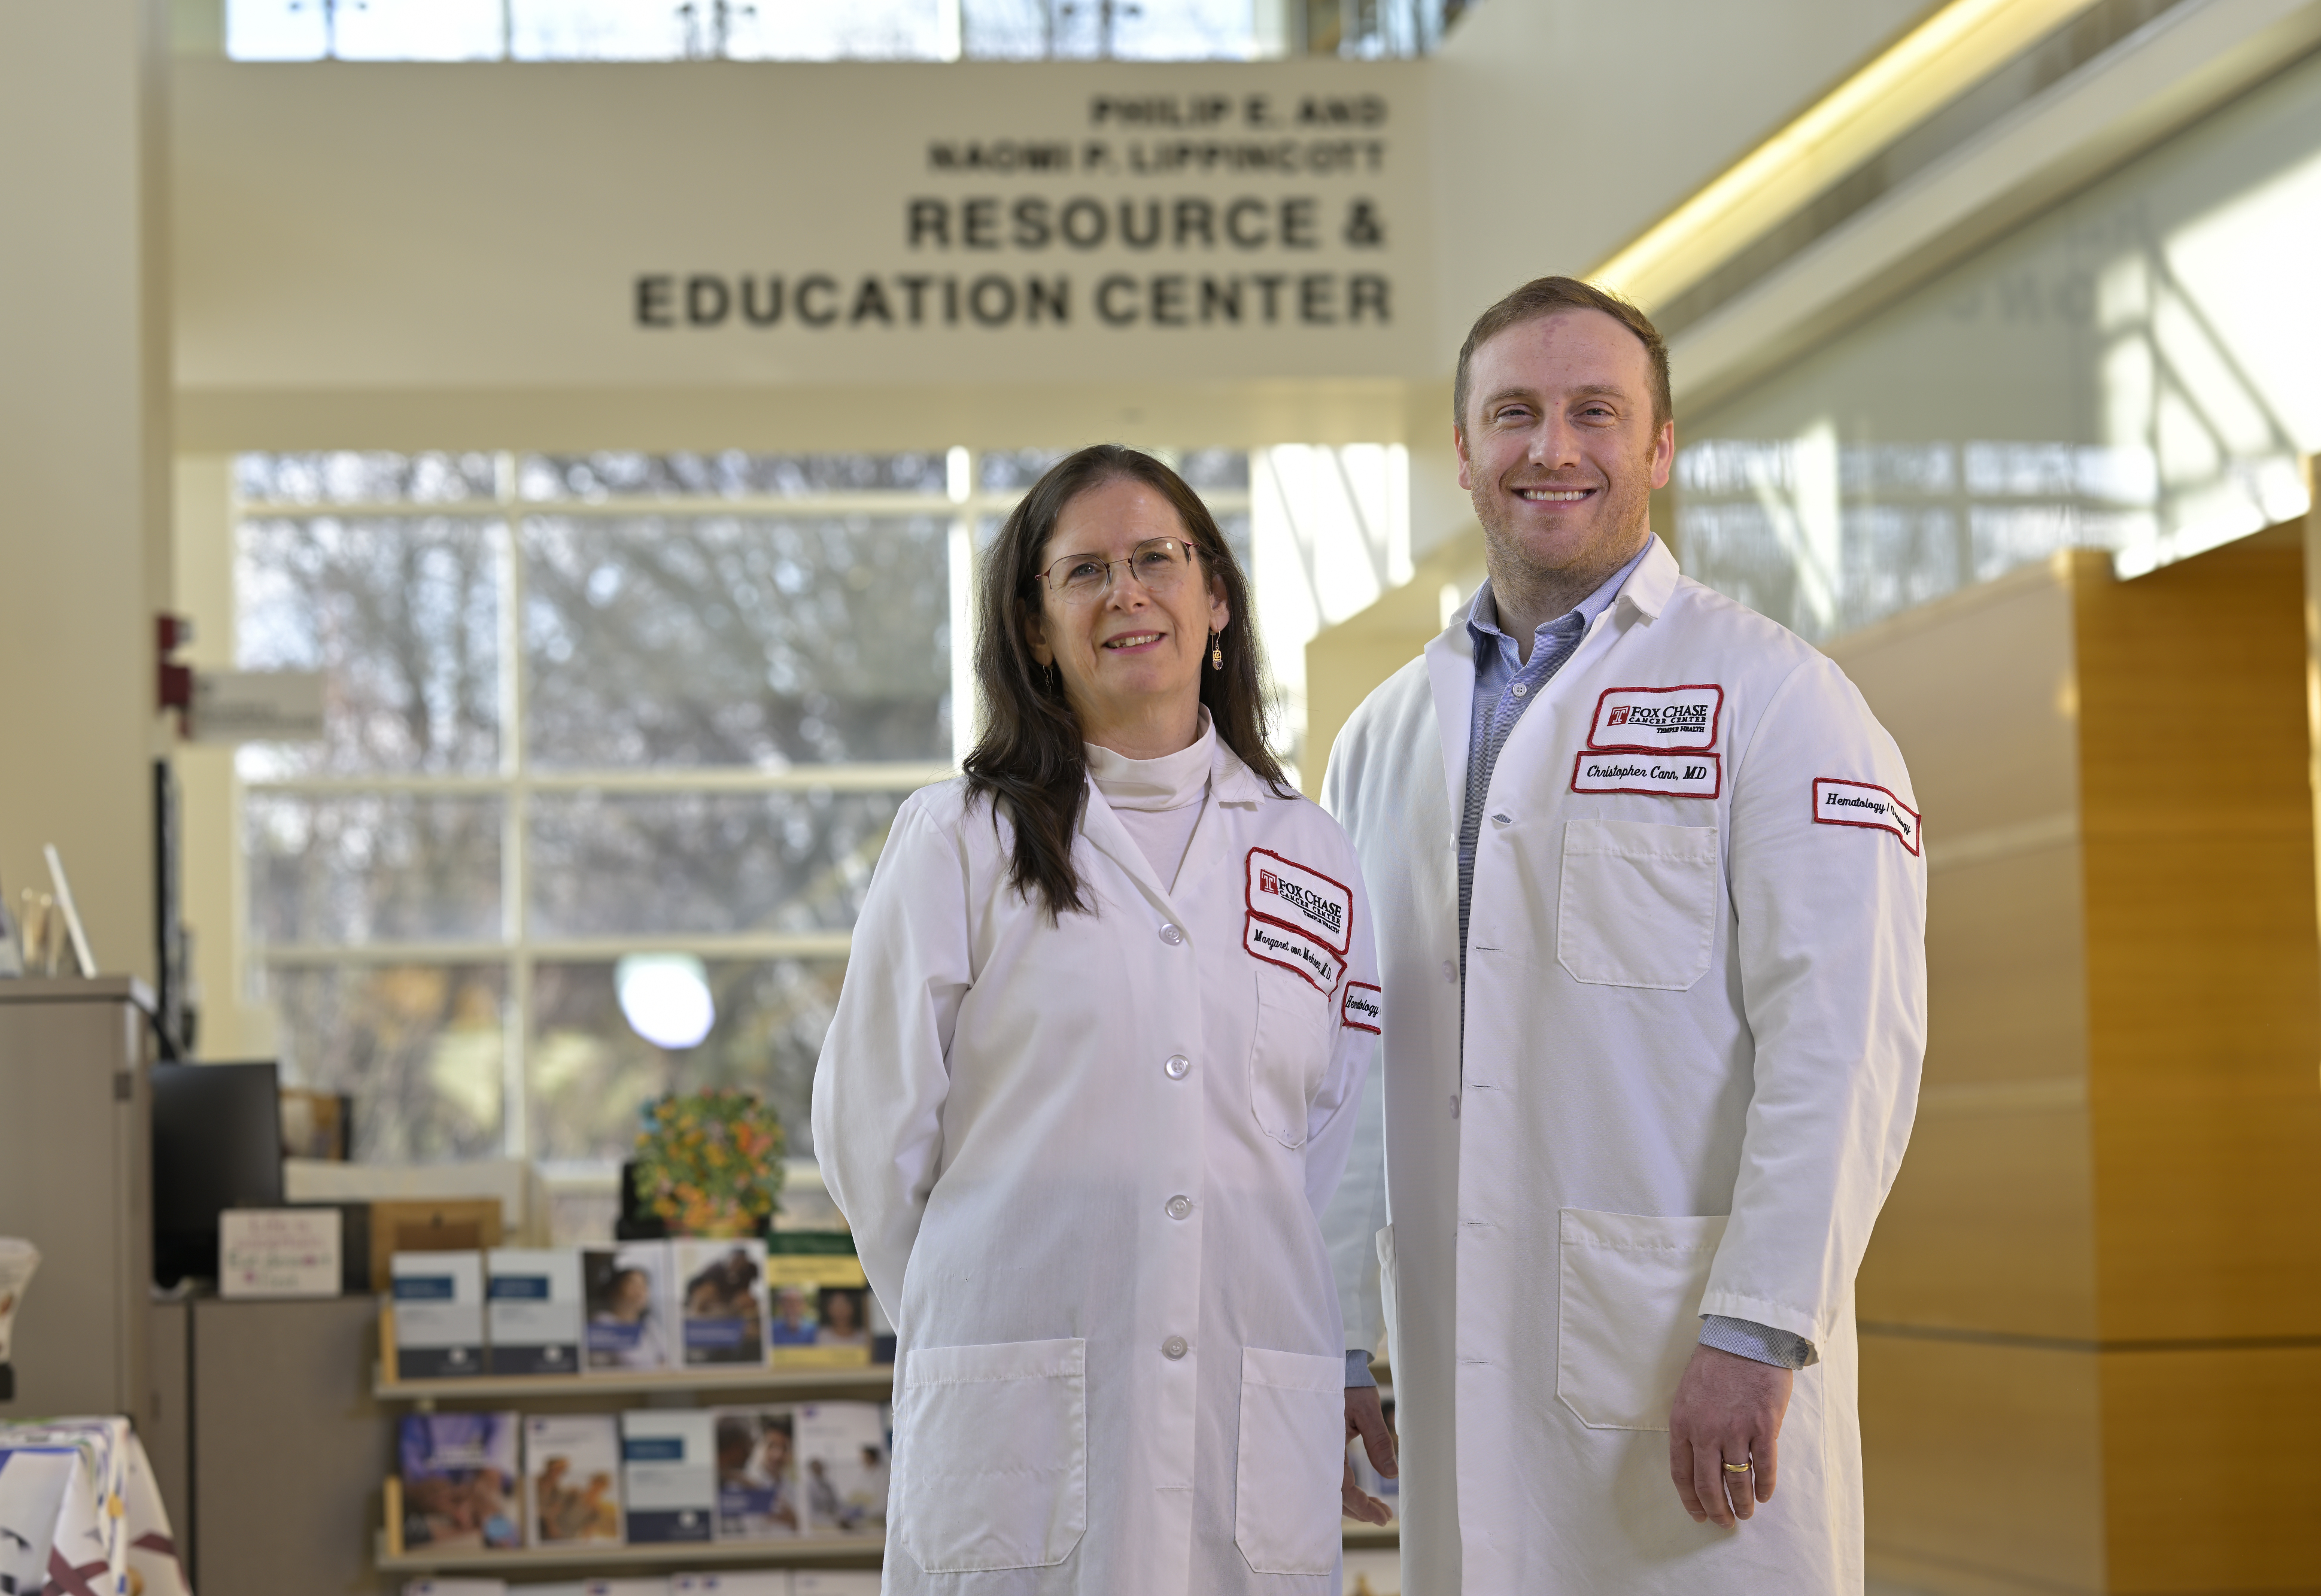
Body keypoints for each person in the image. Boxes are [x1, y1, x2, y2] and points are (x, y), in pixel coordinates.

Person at [1323, 278, 1927, 1593]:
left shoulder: (1775, 700)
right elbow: (1357, 1061)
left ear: (1658, 446)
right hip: (1444, 1365)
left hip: (1674, 1369)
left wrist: (1759, 1325)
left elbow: (1843, 1043)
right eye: (1513, 414)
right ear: (1462, 449)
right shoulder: (1380, 735)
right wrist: (1339, 1333)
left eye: (1594, 411)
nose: (1551, 448)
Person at [814, 445, 1392, 1594]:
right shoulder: (958, 840)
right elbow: (870, 1134)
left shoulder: (1310, 851)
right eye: (1083, 572)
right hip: (1018, 1423)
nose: (1126, 593)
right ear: (1035, 628)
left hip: (1244, 1391)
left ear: (1215, 597)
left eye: (1156, 560)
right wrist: (982, 1306)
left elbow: (1328, 1130)